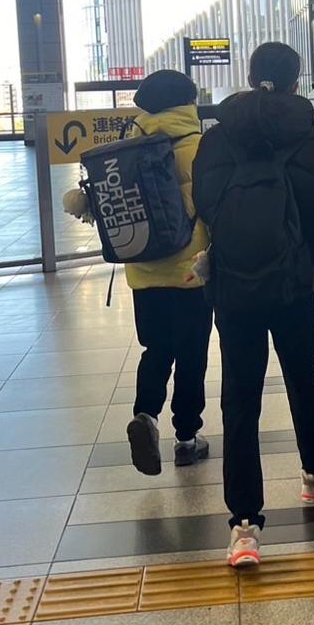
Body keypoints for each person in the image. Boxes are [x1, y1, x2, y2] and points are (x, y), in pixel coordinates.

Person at [193, 42, 314, 568]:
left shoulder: (215, 142)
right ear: (295, 81)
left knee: (240, 398)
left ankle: (244, 527)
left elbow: (206, 207)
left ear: (250, 76)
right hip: (294, 288)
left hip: (234, 289)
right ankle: (313, 472)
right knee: (302, 378)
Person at [124, 70, 214, 476]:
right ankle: (187, 438)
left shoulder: (129, 148)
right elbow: (212, 209)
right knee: (192, 354)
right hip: (191, 272)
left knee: (156, 349)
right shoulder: (201, 147)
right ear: (186, 103)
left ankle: (145, 415)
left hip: (144, 272)